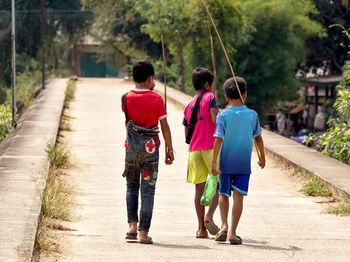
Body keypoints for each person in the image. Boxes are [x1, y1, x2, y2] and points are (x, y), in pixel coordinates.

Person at [122, 60, 174, 244]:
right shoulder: (157, 99)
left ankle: (132, 227)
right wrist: (170, 148)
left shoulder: (125, 98)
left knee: (131, 186)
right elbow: (165, 127)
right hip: (151, 150)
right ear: (150, 78)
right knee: (148, 190)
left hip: (131, 149)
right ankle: (144, 233)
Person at [211, 76, 265, 245]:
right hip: (243, 164)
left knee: (223, 194)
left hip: (226, 163)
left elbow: (218, 139)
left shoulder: (223, 115)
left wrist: (214, 162)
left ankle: (224, 226)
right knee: (238, 198)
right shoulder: (252, 115)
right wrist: (262, 158)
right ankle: (233, 233)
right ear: (245, 94)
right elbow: (258, 139)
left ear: (226, 97)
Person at [183, 67, 220, 238]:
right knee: (220, 184)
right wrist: (219, 113)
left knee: (199, 188)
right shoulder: (210, 97)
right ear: (207, 85)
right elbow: (214, 120)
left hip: (194, 150)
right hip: (211, 148)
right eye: (212, 85)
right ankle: (209, 216)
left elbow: (186, 134)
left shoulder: (189, 105)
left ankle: (201, 229)